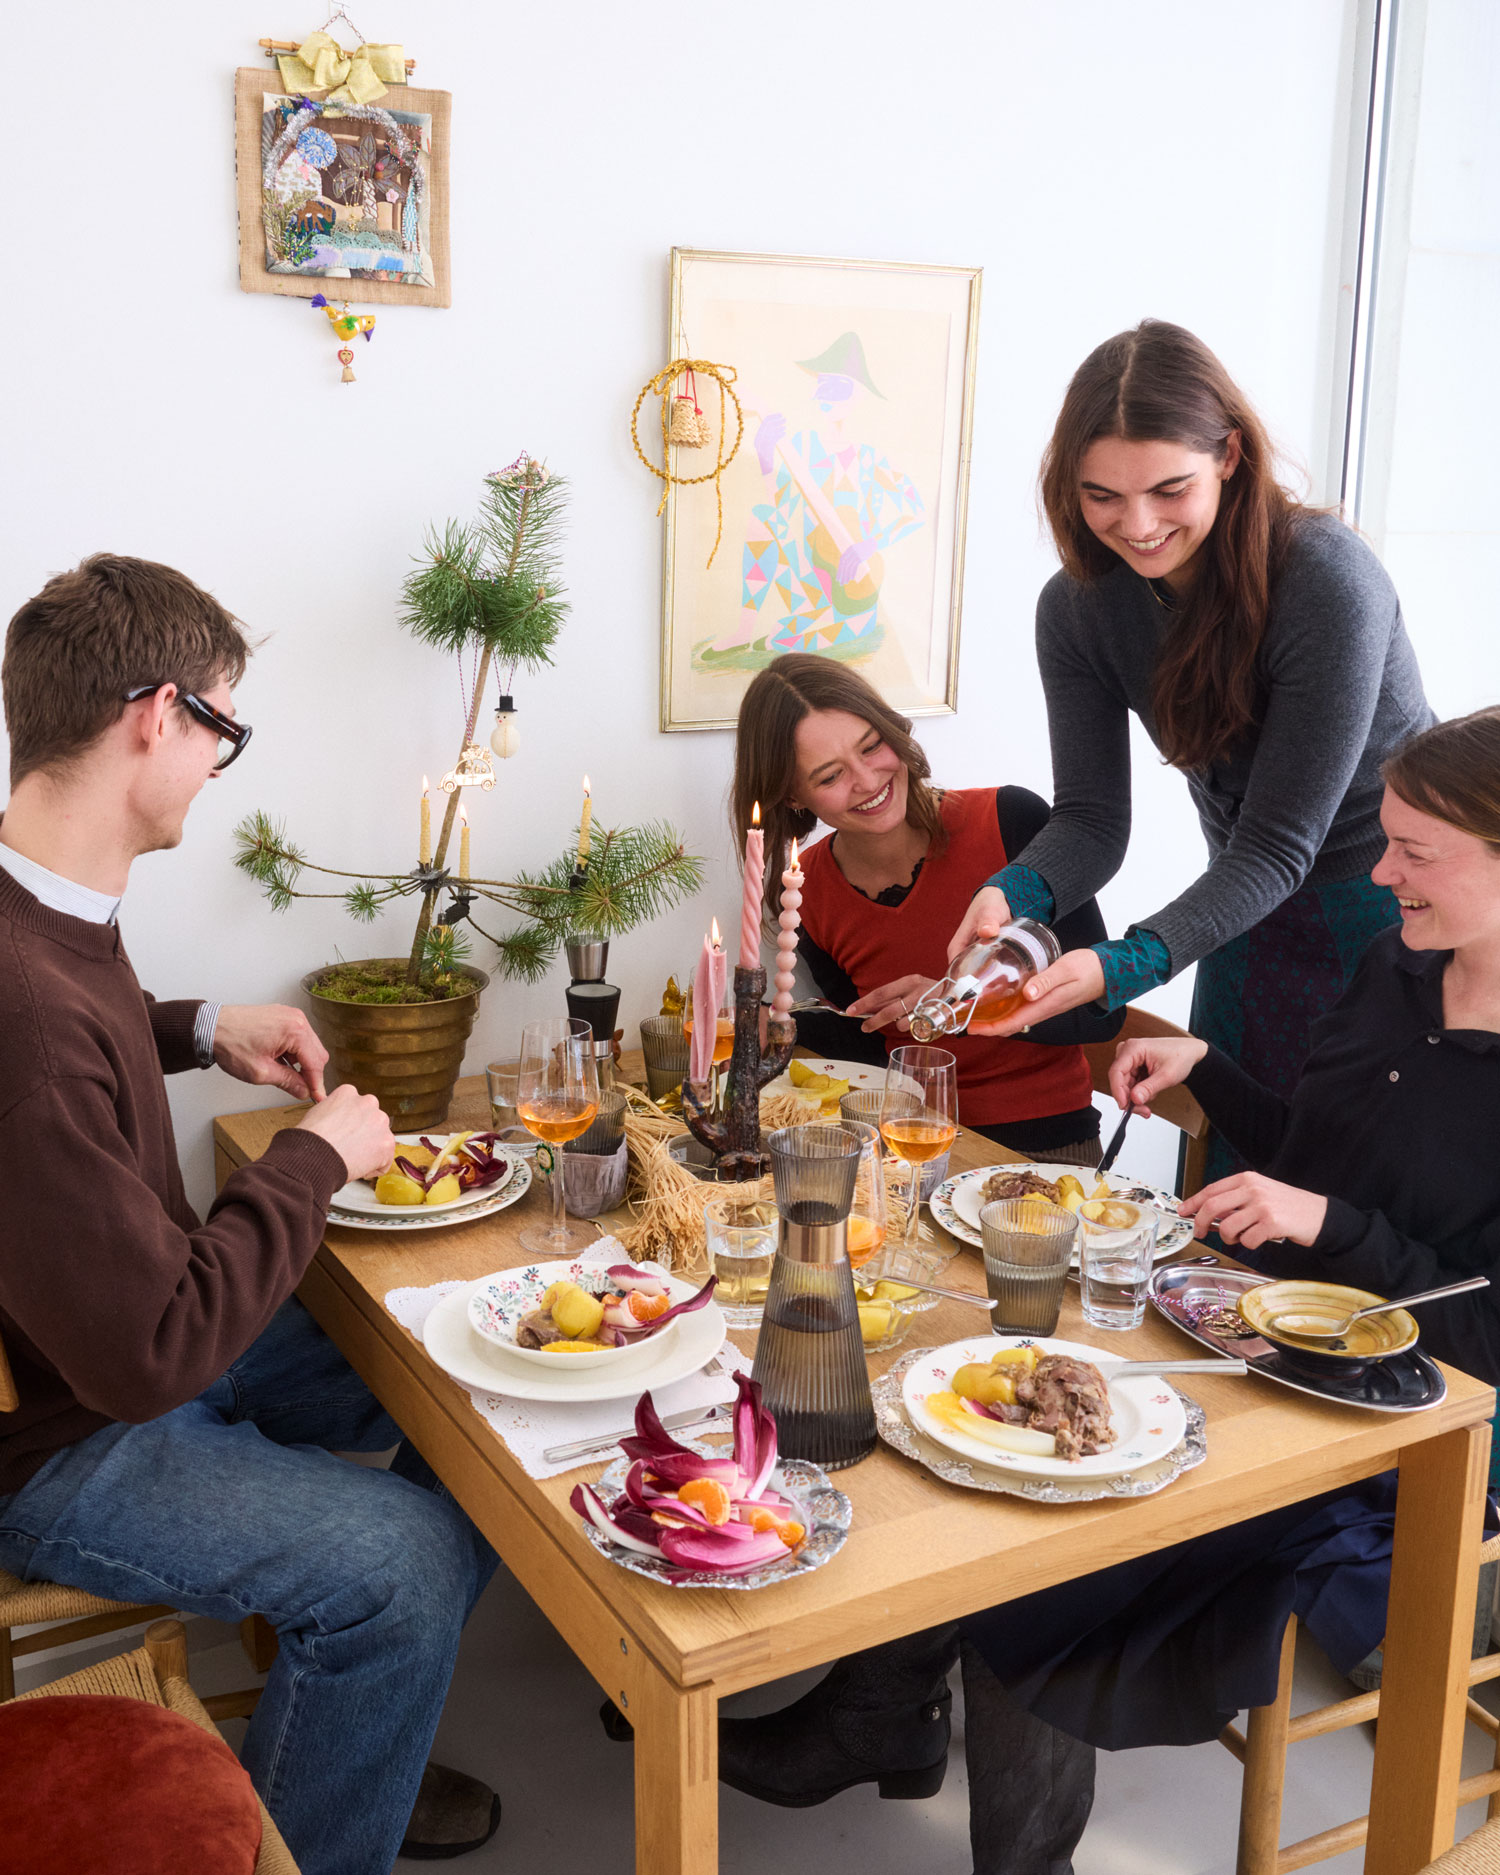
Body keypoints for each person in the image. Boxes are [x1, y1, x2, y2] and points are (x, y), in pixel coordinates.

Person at [723, 706, 1500, 1873]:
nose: (1379, 873)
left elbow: (1479, 1328)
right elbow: (1312, 1158)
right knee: (945, 1400)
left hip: (1387, 1426)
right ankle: (880, 1715)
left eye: (1413, 852)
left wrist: (1333, 1227)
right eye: (1384, 841)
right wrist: (1211, 1070)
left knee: (1032, 1539)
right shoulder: (1399, 967)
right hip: (1241, 1330)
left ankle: (989, 1824)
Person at [0, 556, 500, 1874]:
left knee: (465, 1354)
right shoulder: (24, 1013)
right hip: (62, 1434)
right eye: (224, 729)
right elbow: (150, 1354)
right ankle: (349, 1751)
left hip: (105, 1350)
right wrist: (310, 1161)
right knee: (406, 1568)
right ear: (157, 715)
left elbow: (77, 1049)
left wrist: (198, 1026)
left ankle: (351, 1729)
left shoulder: (39, 908)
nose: (219, 766)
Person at [946, 320, 1434, 1177]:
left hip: (1393, 916)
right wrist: (1009, 890)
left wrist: (1122, 965)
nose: (1137, 525)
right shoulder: (1079, 608)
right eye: (1102, 496)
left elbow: (1279, 846)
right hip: (1243, 914)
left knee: (1359, 1195)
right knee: (1230, 1196)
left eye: (1169, 489)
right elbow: (1091, 819)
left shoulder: (1327, 581)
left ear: (1230, 456)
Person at [732, 653, 1122, 1163]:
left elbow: (1102, 1014)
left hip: (1044, 1147)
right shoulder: (804, 888)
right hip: (903, 1145)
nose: (868, 780)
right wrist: (776, 1024)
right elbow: (872, 1036)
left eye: (872, 746)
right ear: (793, 797)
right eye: (830, 776)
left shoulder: (1012, 822)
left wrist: (957, 1006)